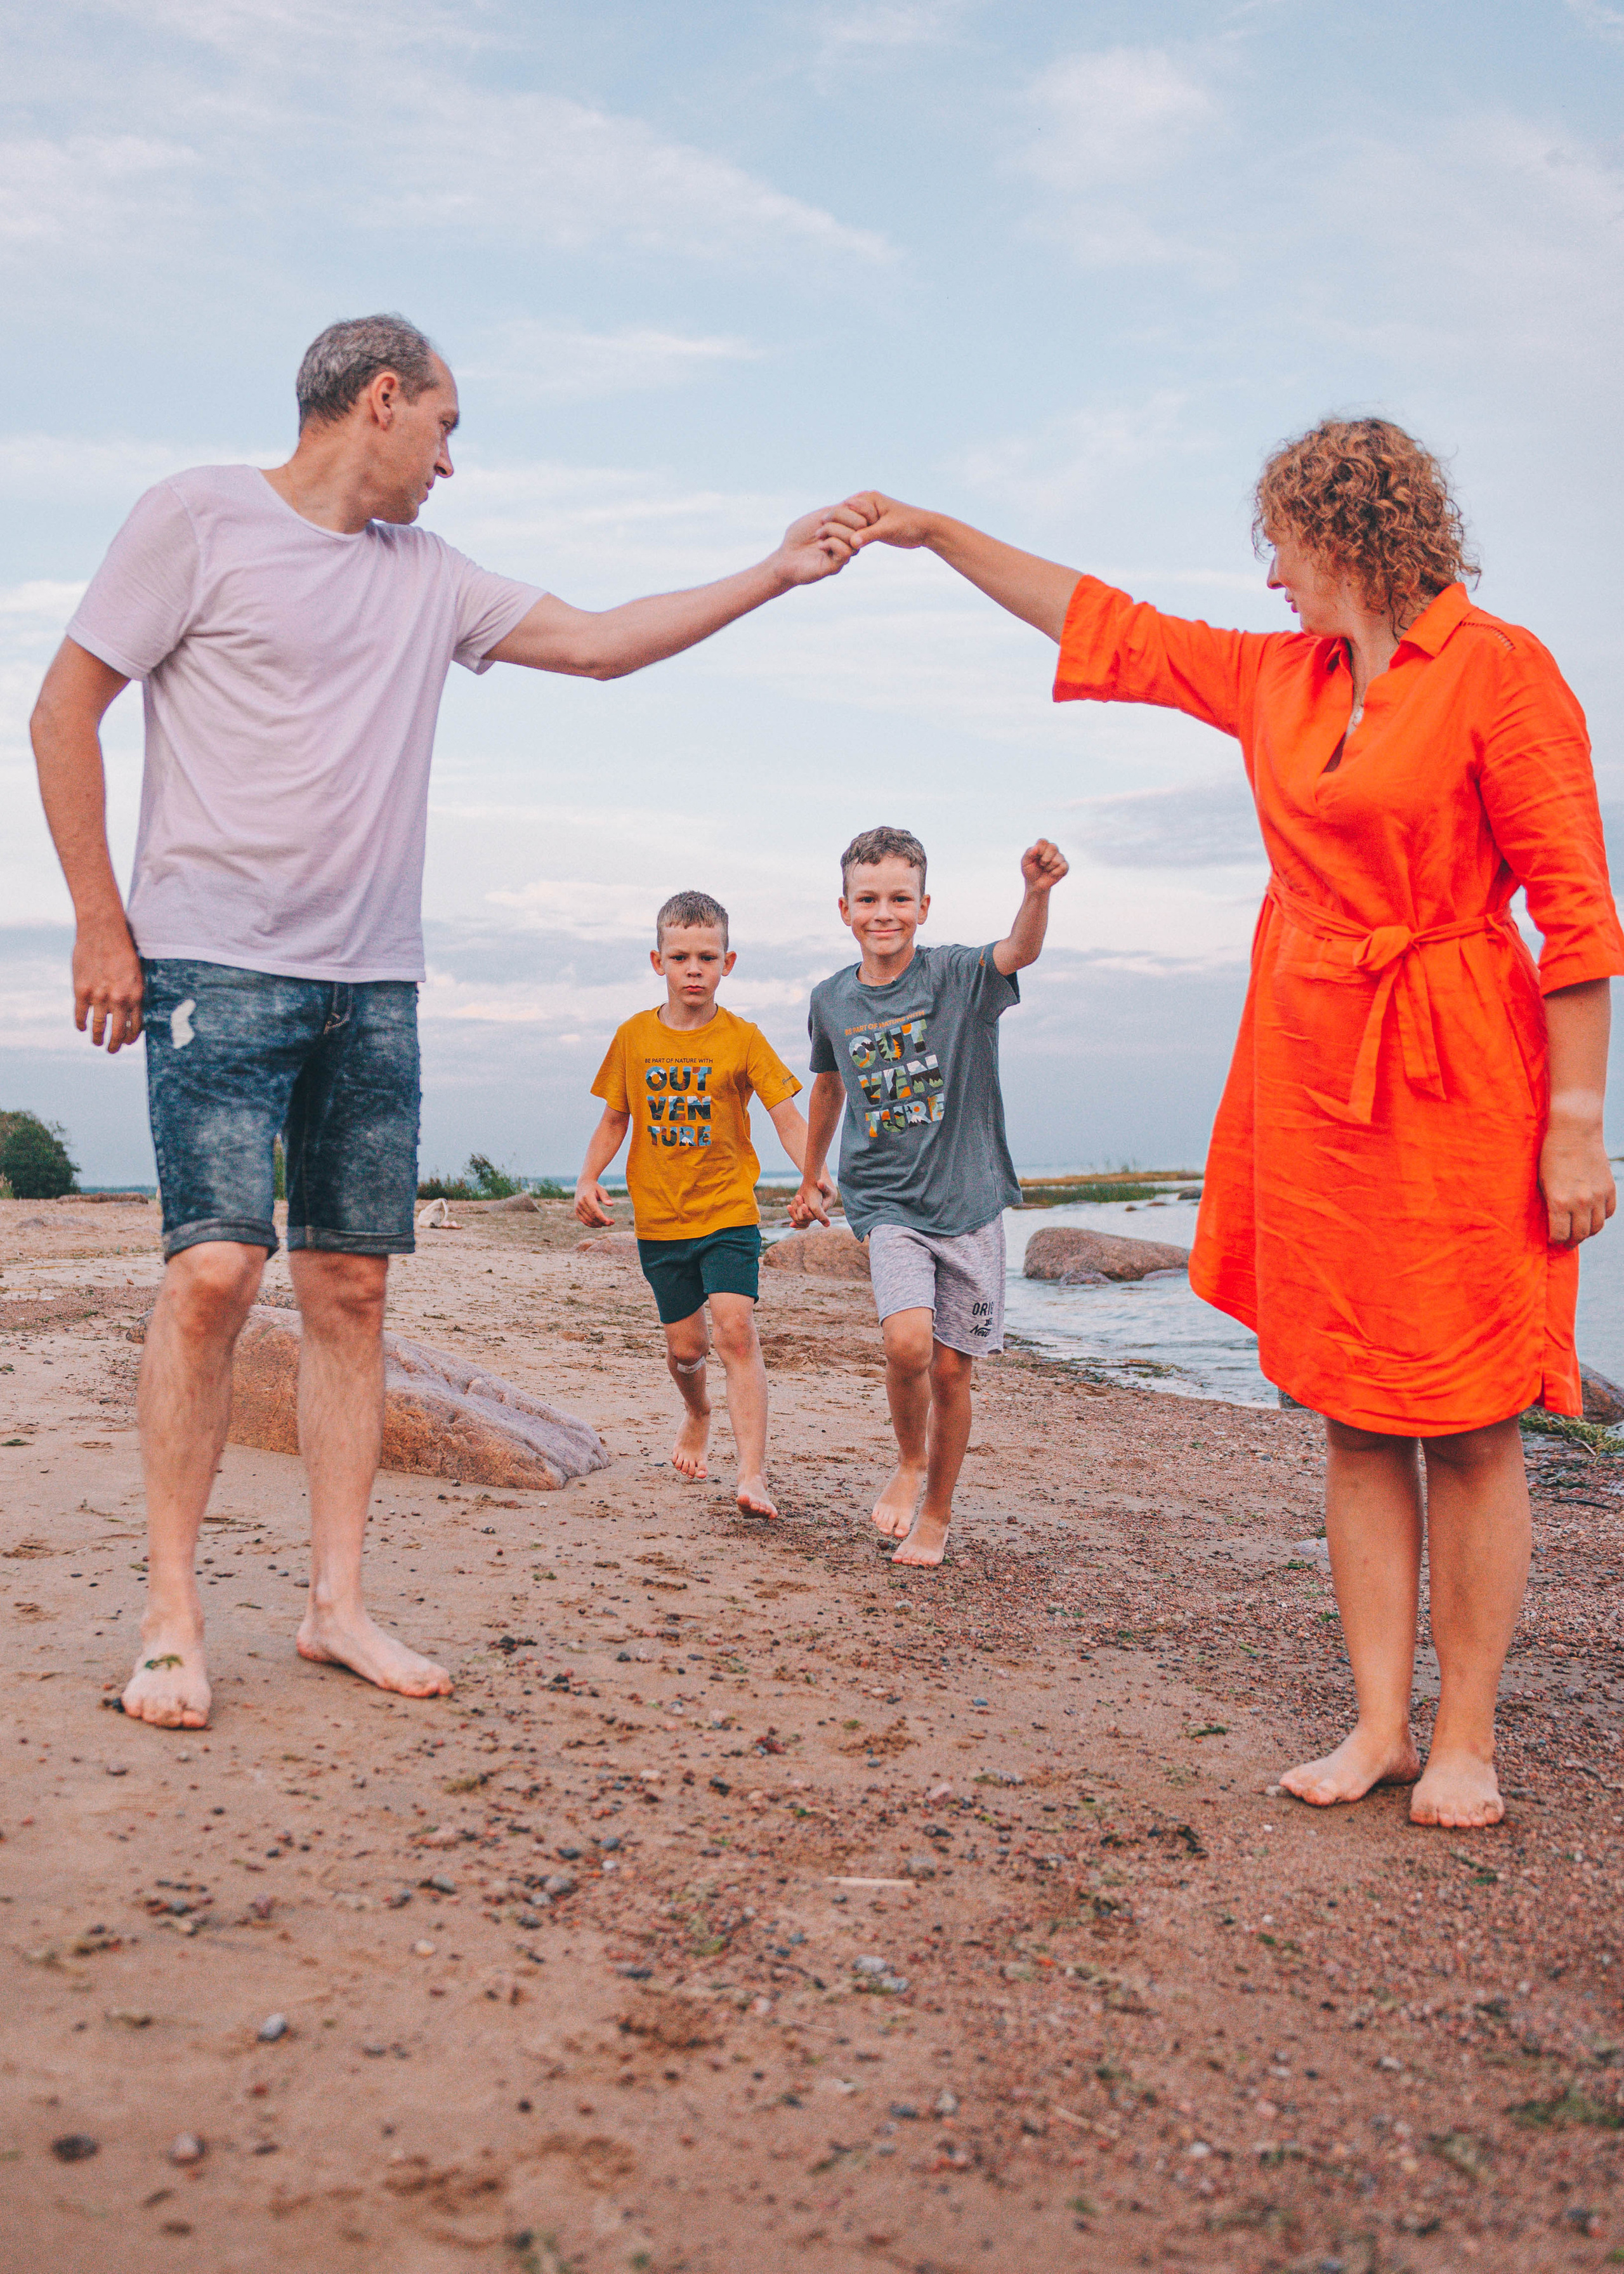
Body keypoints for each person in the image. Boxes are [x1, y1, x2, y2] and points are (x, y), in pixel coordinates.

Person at [29, 313, 868, 1732]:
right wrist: (101, 924)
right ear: (381, 401)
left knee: (349, 1293)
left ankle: (333, 1602)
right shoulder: (193, 517)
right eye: (447, 426)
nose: (450, 462)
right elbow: (65, 709)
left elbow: (601, 645)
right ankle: (172, 1613)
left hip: (375, 983)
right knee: (218, 1271)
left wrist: (778, 571)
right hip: (213, 968)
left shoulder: (428, 580)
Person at [835, 418, 1624, 1825]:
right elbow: (1108, 627)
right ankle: (1378, 1722)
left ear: (1350, 535)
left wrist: (1576, 1126)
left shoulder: (1500, 673)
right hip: (1311, 1078)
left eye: (1282, 545)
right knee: (1355, 1419)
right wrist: (937, 532)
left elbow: (1575, 918)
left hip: (1455, 1074)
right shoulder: (1282, 677)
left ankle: (1465, 1737)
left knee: (1473, 1420)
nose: (1268, 575)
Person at [789, 827, 1069, 1565]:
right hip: (885, 1201)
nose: (884, 912)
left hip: (968, 1201)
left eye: (899, 898)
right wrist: (812, 1173)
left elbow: (1020, 950)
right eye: (868, 899)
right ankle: (909, 1462)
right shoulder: (831, 1000)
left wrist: (1035, 894)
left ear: (924, 904)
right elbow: (827, 1086)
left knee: (952, 1370)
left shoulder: (957, 978)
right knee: (906, 1342)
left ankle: (936, 1513)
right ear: (844, 908)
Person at [574, 890, 830, 1518]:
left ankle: (752, 1476)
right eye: (681, 955)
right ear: (657, 961)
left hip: (727, 1213)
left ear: (728, 962)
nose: (695, 968)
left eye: (707, 957)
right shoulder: (633, 1036)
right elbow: (614, 1117)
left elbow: (788, 1116)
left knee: (735, 1331)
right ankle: (697, 1412)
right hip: (660, 1221)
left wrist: (816, 1175)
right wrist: (587, 1178)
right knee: (686, 1351)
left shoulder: (742, 1039)